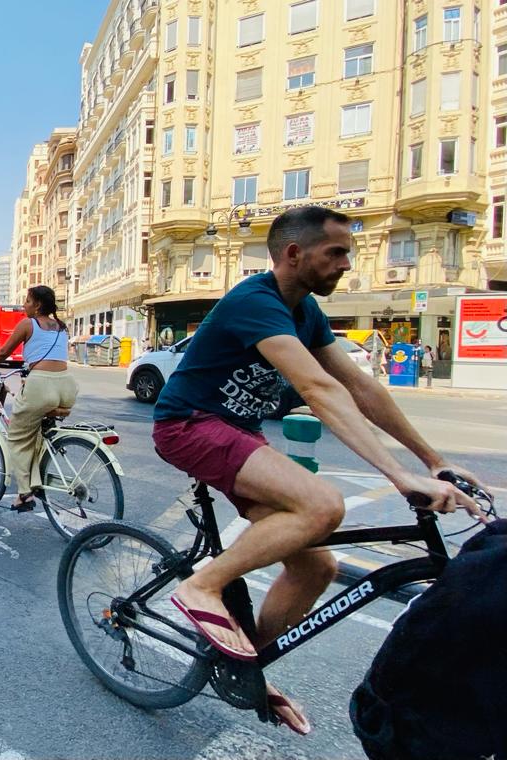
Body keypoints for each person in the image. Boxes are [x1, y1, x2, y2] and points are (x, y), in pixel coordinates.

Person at [150, 206, 487, 736]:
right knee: (323, 504)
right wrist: (399, 476)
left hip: (239, 433)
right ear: (294, 253)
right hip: (190, 425)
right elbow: (318, 389)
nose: (347, 264)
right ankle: (202, 587)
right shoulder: (256, 301)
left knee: (317, 568)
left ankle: (246, 667)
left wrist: (433, 461)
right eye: (336, 253)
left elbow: (360, 386)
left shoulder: (305, 311)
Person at [0, 285, 77, 512]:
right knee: (34, 434)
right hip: (67, 387)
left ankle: (25, 494)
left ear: (37, 305)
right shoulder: (61, 326)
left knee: (16, 438)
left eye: (27, 301)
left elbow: (3, 353)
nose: (24, 305)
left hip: (42, 386)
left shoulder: (28, 324)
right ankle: (36, 479)